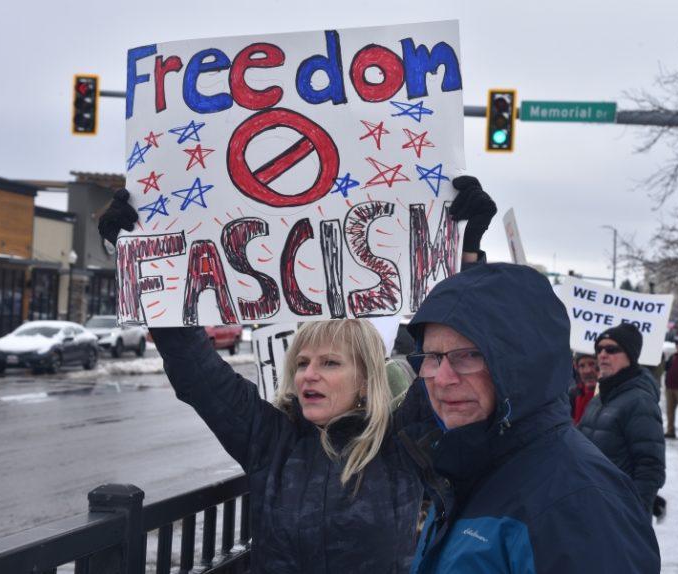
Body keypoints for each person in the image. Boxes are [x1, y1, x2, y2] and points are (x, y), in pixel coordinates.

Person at [98, 176, 497, 573]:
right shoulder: (270, 440)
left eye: (330, 363)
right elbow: (195, 369)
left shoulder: (399, 441)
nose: (309, 375)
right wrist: (136, 256)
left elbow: (455, 348)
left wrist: (466, 250)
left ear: (365, 379)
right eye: (303, 363)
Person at [403, 264, 660, 573]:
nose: (442, 378)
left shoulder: (578, 505)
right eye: (432, 357)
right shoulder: (458, 469)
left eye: (468, 354)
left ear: (522, 365)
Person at [577, 323, 666, 515]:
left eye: (611, 349)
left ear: (630, 356)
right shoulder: (598, 400)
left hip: (617, 515)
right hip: (589, 506)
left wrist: (633, 514)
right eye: (599, 349)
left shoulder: (640, 402)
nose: (602, 355)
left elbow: (651, 467)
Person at [568, 352, 598, 424]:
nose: (587, 371)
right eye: (582, 366)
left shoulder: (611, 395)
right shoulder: (572, 394)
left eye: (592, 364)